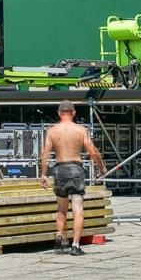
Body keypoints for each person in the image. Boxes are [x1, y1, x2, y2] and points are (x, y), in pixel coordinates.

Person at [38, 99, 105, 256]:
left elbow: (45, 154)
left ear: (59, 113)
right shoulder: (81, 130)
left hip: (60, 169)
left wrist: (43, 174)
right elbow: (92, 151)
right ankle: (75, 245)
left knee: (61, 208)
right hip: (76, 169)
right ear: (73, 113)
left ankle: (61, 238)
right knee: (77, 208)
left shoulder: (52, 131)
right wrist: (101, 167)